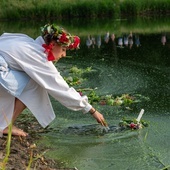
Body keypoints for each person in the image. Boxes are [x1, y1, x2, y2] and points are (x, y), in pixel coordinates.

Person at [0, 23, 107, 137]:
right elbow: (60, 88)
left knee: (30, 79)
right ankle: (5, 125)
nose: (64, 54)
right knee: (35, 83)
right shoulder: (38, 56)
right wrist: (91, 110)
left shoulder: (27, 41)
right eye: (63, 49)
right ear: (53, 44)